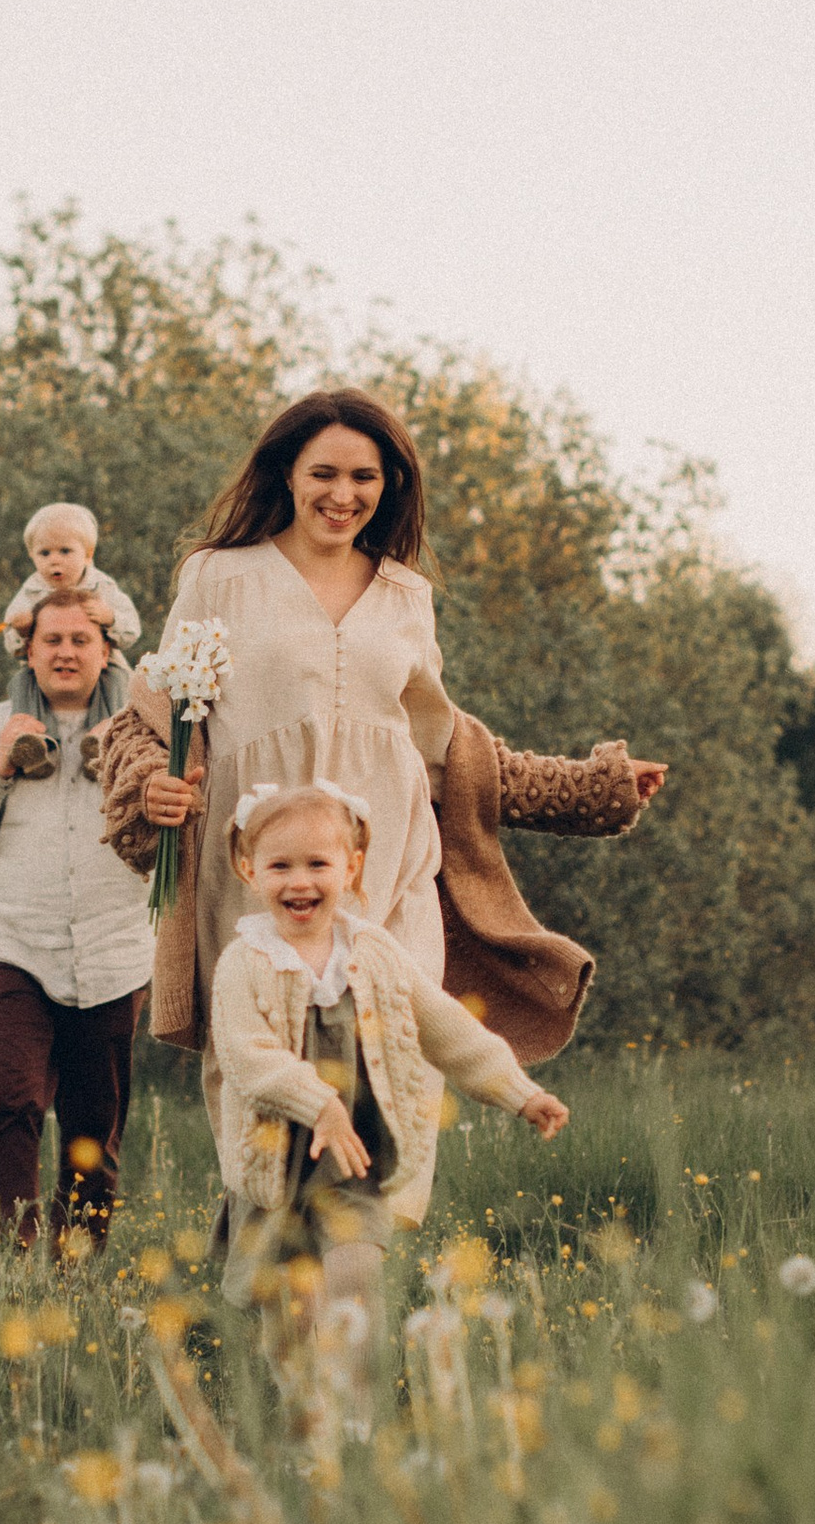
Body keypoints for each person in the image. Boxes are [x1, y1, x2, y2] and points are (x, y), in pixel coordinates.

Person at [95, 386, 668, 1086]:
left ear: (388, 484)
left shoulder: (405, 596)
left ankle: (379, 1198)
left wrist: (591, 786)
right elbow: (154, 714)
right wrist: (149, 782)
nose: (344, 494)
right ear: (288, 475)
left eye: (363, 476)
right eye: (324, 474)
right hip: (257, 866)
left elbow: (444, 752)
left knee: (391, 1075)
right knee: (264, 1079)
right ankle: (258, 1200)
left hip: (384, 870)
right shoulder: (220, 576)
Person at [211, 777, 566, 1463]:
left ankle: (353, 1424)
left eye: (318, 864)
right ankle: (300, 1415)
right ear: (250, 872)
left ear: (351, 868)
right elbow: (246, 1054)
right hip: (276, 1170)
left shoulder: (371, 955)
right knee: (293, 1312)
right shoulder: (245, 964)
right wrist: (318, 1103)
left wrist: (516, 1090)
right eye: (281, 866)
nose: (300, 882)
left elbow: (445, 1027)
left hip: (356, 1168)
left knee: (353, 1283)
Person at [0, 588, 149, 1245]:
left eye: (81, 640)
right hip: (9, 947)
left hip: (114, 952)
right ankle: (7, 1267)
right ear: (28, 650)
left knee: (94, 1126)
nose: (66, 652)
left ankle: (78, 1274)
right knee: (9, 1104)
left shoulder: (143, 729)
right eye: (53, 640)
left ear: (107, 651)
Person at [0, 501, 143, 657]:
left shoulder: (101, 586)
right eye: (44, 553)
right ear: (32, 555)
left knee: (121, 679)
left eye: (65, 551)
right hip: (46, 666)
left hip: (99, 665)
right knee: (20, 681)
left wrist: (110, 619)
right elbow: (12, 646)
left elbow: (132, 631)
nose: (54, 560)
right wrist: (22, 630)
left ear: (88, 554)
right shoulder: (31, 593)